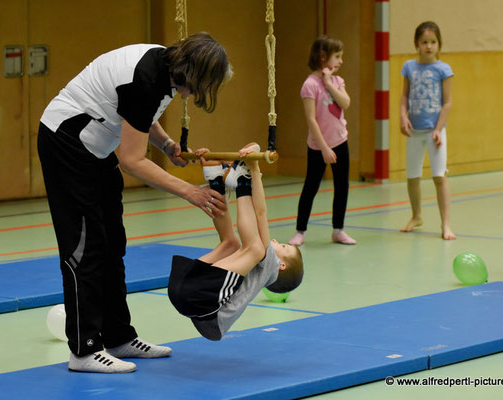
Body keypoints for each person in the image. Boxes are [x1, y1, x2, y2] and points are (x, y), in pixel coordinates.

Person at [37, 32, 232, 373]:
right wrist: (191, 192)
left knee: (113, 243)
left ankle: (118, 336)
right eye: (198, 86)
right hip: (66, 143)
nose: (192, 95)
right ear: (191, 74)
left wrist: (167, 144)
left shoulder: (163, 67)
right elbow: (132, 160)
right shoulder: (146, 78)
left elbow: (138, 115)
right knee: (85, 248)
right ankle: (84, 350)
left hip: (96, 147)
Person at [168, 144, 304, 341]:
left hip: (203, 304)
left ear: (282, 266)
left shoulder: (270, 267)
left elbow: (260, 213)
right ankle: (216, 180)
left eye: (283, 246)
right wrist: (248, 170)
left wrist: (252, 173)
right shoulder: (254, 270)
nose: (276, 241)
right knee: (231, 244)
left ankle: (242, 180)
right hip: (187, 293)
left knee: (255, 247)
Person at [288, 35, 355, 246]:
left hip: (340, 141)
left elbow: (345, 103)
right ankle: (300, 231)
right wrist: (324, 148)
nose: (341, 61)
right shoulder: (309, 85)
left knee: (342, 186)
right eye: (337, 56)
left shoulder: (337, 81)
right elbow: (311, 119)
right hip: (319, 145)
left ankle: (338, 230)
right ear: (323, 57)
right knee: (311, 186)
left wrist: (329, 83)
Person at [399, 21, 456, 240]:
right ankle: (416, 216)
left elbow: (447, 102)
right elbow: (404, 96)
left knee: (439, 176)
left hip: (435, 132)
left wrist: (438, 128)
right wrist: (403, 117)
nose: (429, 46)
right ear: (416, 44)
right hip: (414, 131)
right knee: (412, 176)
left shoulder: (444, 69)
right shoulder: (409, 67)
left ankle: (446, 225)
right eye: (424, 42)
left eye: (433, 42)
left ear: (439, 44)